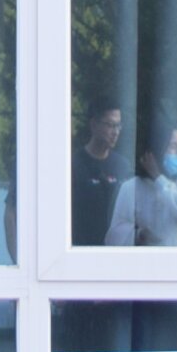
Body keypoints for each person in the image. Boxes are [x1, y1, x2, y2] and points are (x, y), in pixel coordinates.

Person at [106, 122, 177, 247]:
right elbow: (113, 236)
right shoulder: (130, 187)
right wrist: (138, 234)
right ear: (157, 150)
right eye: (172, 146)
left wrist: (158, 178)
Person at [70, 101, 126, 247]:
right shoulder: (73, 165)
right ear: (94, 125)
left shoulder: (123, 166)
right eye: (110, 125)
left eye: (118, 126)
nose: (116, 132)